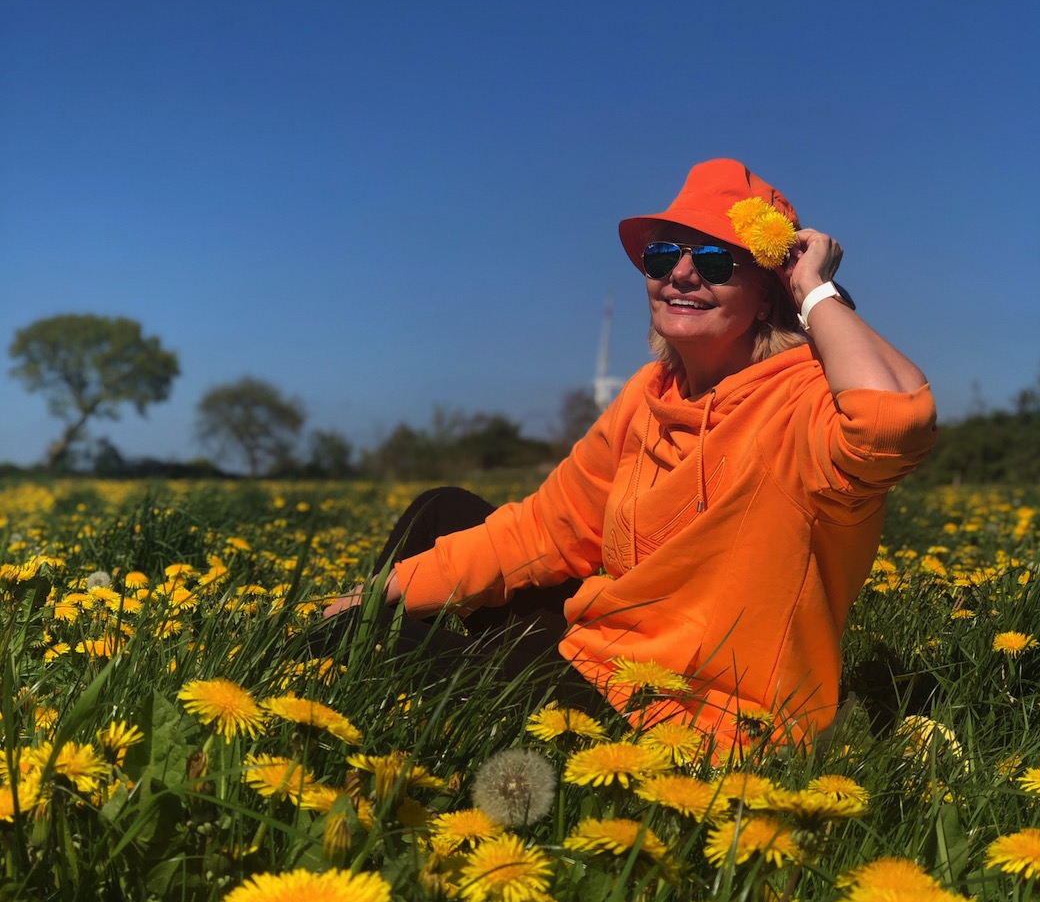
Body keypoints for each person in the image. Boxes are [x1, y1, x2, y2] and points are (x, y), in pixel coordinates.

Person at [324, 158, 936, 751]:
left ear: (769, 295)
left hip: (692, 722)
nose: (682, 275)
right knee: (444, 512)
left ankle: (339, 694)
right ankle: (361, 673)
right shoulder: (647, 396)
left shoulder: (803, 402)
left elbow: (894, 422)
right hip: (598, 660)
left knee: (356, 639)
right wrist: (388, 587)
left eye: (717, 261)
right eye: (664, 255)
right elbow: (548, 528)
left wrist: (816, 290)